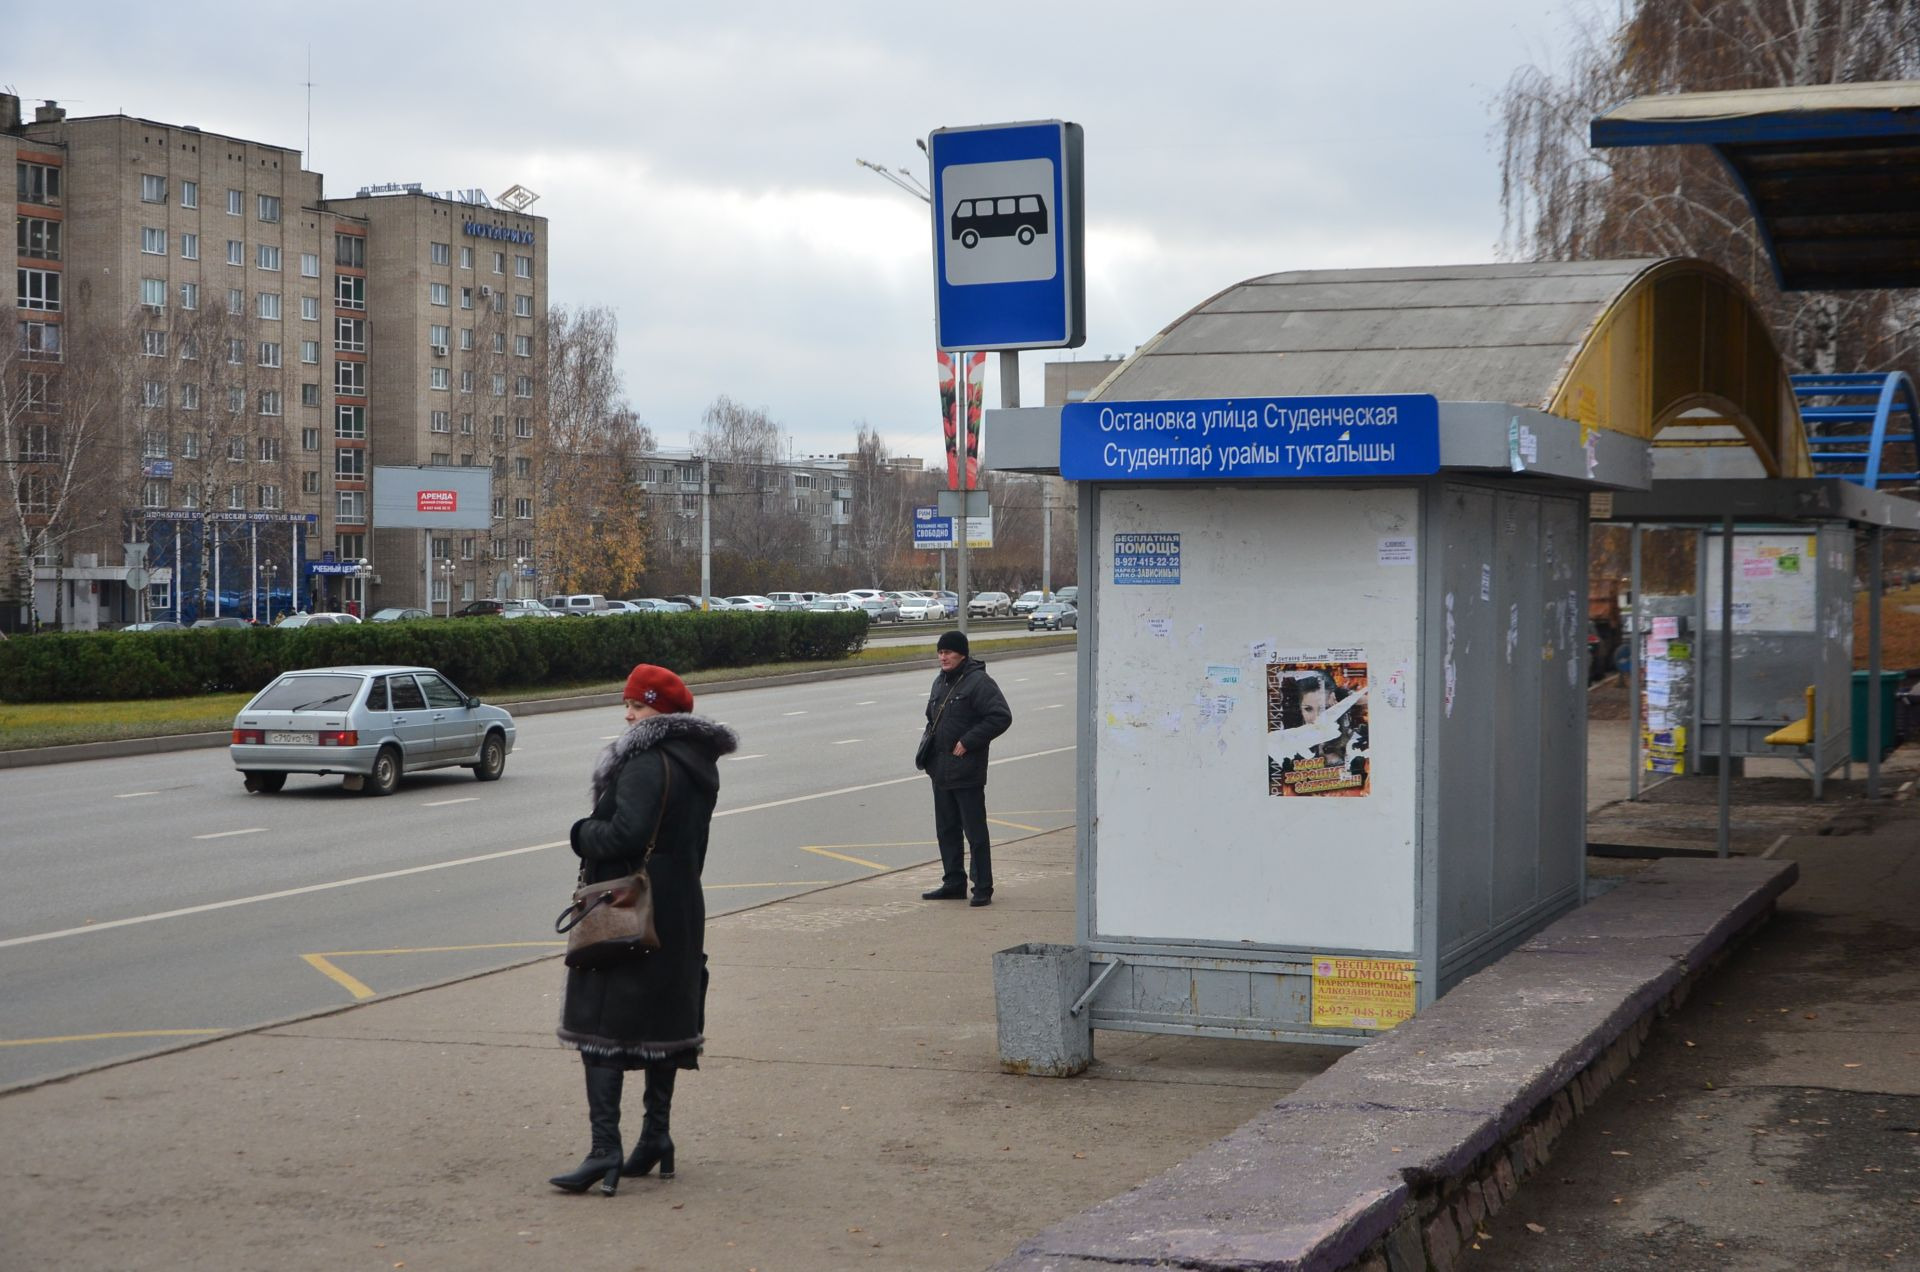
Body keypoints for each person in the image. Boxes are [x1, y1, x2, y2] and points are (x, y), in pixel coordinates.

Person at [550, 663, 738, 1196]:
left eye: (637, 705)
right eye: (627, 704)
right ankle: (656, 1137)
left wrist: (582, 832)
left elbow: (625, 834)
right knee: (661, 1026)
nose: (628, 714)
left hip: (631, 907)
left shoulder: (646, 760)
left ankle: (603, 1150)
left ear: (661, 710)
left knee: (600, 1026)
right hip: (679, 906)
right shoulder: (697, 761)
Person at [919, 630, 1013, 907]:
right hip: (941, 769)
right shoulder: (940, 682)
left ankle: (982, 886)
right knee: (946, 829)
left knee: (975, 832)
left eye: (948, 652)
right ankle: (953, 882)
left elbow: (1000, 716)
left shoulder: (978, 682)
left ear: (962, 653)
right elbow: (931, 718)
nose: (943, 657)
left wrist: (968, 741)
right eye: (940, 652)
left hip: (966, 769)